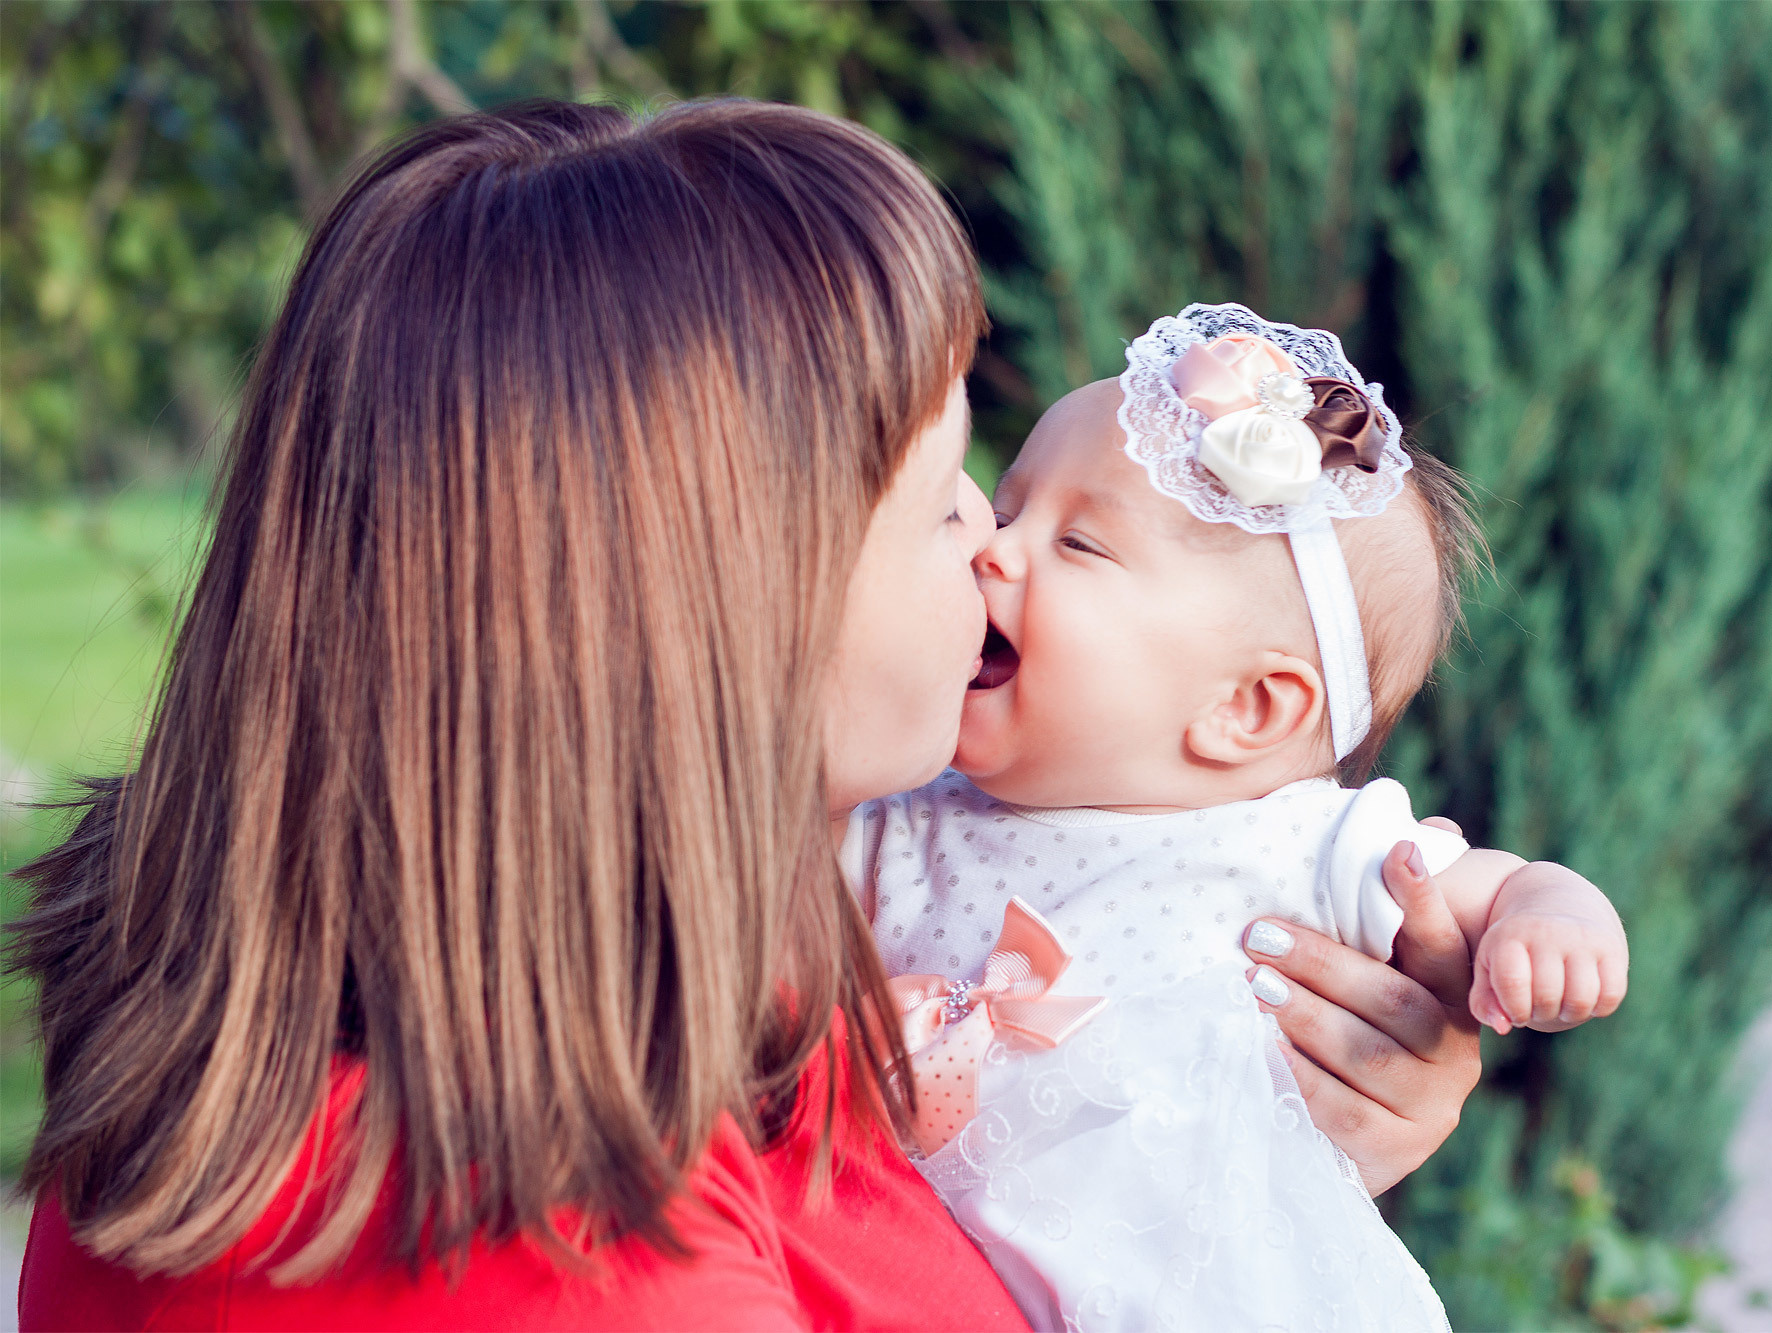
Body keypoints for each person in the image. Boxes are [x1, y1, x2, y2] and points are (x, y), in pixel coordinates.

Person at [12, 105, 1481, 1329]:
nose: (988, 542)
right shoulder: (550, 1260)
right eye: (944, 496)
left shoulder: (704, 981)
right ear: (717, 616)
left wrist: (1258, 1145)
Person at [846, 307, 1628, 1330]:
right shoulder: (904, 825)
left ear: (1245, 709)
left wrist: (1551, 923)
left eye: (1076, 541)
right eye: (1007, 506)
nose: (994, 548)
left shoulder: (1296, 844)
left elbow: (1502, 883)